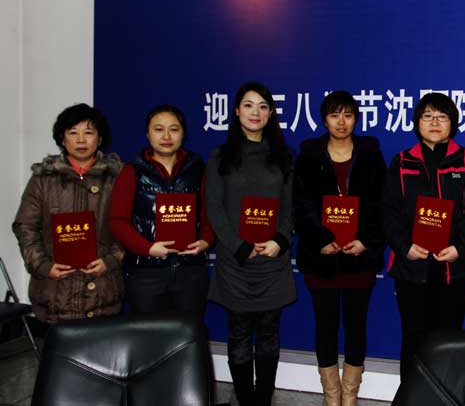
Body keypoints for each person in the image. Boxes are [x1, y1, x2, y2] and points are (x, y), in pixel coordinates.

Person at [383, 92, 465, 381]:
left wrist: (460, 247)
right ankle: (412, 397)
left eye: (442, 117)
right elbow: (388, 211)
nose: (435, 122)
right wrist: (405, 247)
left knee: (449, 341)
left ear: (453, 123)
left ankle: (444, 397)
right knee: (413, 338)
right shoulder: (402, 161)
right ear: (417, 122)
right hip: (412, 266)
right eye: (427, 116)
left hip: (455, 266)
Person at [205, 82, 296, 406]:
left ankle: (263, 400)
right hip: (236, 261)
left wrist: (279, 240)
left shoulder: (284, 157)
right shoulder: (221, 157)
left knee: (269, 334)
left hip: (272, 259)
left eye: (262, 106)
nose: (255, 112)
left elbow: (290, 207)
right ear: (236, 111)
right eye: (248, 105)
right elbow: (214, 209)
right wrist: (240, 246)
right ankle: (245, 400)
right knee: (239, 333)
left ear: (270, 114)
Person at [294, 91, 387, 406]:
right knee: (326, 327)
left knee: (356, 326)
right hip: (321, 259)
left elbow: (381, 204)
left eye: (348, 115)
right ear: (324, 120)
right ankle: (331, 396)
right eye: (335, 115)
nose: (341, 122)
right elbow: (301, 206)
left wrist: (366, 240)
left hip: (359, 258)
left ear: (356, 119)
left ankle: (350, 396)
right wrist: (320, 239)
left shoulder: (371, 154)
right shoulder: (308, 155)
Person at [12, 103, 124, 324]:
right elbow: (25, 227)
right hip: (56, 292)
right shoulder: (43, 179)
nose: (81, 140)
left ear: (100, 138)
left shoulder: (117, 178)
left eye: (88, 133)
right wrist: (43, 266)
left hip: (103, 290)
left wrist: (111, 260)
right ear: (62, 139)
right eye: (73, 133)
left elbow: (128, 226)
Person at [109, 105, 214, 317]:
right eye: (158, 129)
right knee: (149, 334)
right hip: (147, 273)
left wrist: (206, 240)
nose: (166, 136)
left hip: (190, 271)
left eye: (174, 129)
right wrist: (147, 248)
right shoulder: (132, 171)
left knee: (189, 332)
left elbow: (210, 213)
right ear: (148, 134)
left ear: (183, 134)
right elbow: (117, 221)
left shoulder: (198, 169)